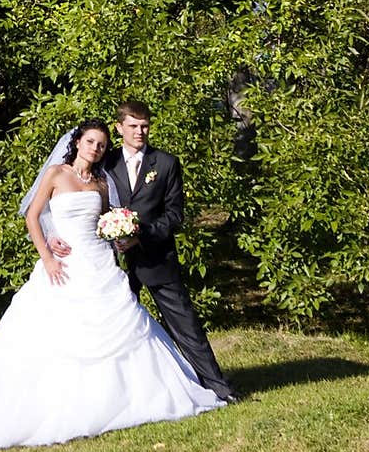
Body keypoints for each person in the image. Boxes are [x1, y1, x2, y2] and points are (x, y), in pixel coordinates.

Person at [0, 119, 226, 449]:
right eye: (90, 142)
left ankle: (122, 399)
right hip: (65, 265)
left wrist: (119, 236)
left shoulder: (101, 183)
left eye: (101, 145)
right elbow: (32, 215)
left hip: (99, 263)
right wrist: (49, 253)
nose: (95, 149)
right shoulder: (56, 174)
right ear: (78, 142)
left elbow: (105, 221)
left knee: (125, 325)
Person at [44, 99, 239, 404]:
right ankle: (120, 395)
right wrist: (53, 234)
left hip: (155, 256)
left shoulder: (166, 164)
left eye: (145, 126)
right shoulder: (103, 161)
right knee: (112, 330)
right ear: (119, 127)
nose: (140, 131)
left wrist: (140, 236)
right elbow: (64, 201)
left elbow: (174, 215)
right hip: (106, 265)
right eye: (133, 126)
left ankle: (219, 387)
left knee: (185, 324)